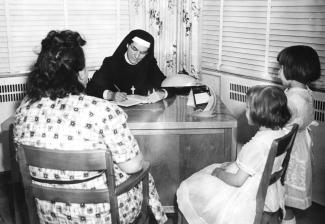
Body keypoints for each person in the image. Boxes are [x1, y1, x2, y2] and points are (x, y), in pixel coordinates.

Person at [14, 30, 167, 224]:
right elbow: (134, 166)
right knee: (143, 168)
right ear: (79, 74)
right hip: (102, 212)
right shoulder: (103, 111)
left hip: (47, 211)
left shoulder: (23, 111)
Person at [177, 85, 291, 224]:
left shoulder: (257, 145)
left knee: (187, 187)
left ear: (260, 112)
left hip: (244, 196)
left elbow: (237, 181)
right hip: (267, 190)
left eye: (248, 107)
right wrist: (234, 165)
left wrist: (218, 173)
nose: (246, 110)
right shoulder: (282, 133)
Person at [277, 45, 321, 224]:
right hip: (300, 145)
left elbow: (279, 124)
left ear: (292, 70)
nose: (278, 71)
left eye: (281, 67)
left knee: (283, 201)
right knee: (285, 200)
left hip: (291, 150)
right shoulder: (305, 92)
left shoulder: (292, 100)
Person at [86, 29, 173, 103]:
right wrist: (111, 95)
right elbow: (91, 87)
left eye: (142, 53)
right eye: (134, 49)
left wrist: (162, 93)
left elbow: (170, 85)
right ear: (127, 45)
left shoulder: (149, 65)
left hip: (143, 114)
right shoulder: (111, 63)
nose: (137, 56)